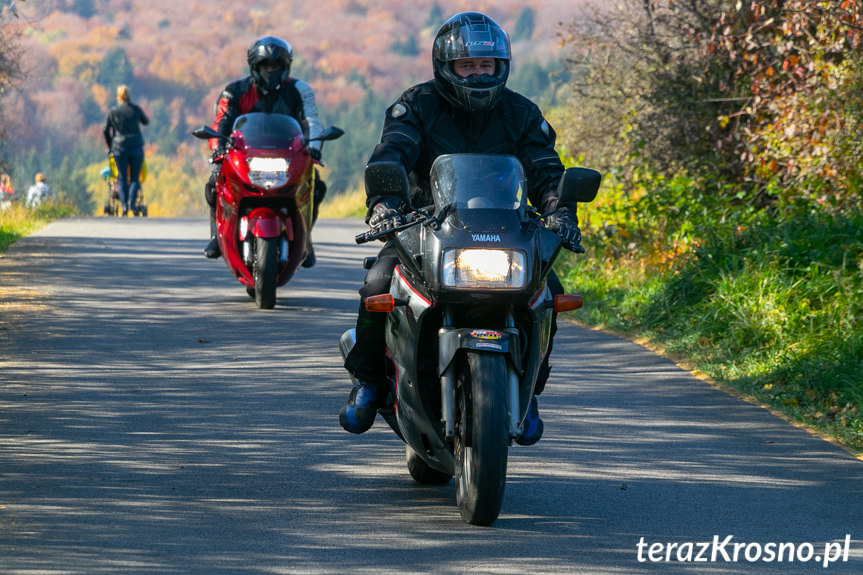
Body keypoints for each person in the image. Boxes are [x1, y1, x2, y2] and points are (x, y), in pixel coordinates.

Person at [339, 12, 583, 445]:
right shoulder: (416, 105)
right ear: (445, 67)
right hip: (424, 226)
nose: (476, 74)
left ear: (500, 67)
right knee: (378, 282)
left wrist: (561, 211)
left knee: (545, 290)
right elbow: (392, 154)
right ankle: (370, 381)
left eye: (484, 66)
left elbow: (546, 170)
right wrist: (385, 203)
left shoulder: (521, 113)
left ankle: (528, 390)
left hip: (505, 230)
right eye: (466, 66)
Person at [203, 35, 326, 267]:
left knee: (316, 187)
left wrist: (314, 147)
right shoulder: (235, 91)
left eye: (276, 66)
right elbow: (221, 122)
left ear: (286, 67)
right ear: (254, 67)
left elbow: (311, 121)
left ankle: (306, 239)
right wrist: (217, 148)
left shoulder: (299, 90)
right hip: (245, 156)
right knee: (214, 184)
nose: (271, 71)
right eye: (265, 66)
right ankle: (216, 238)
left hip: (288, 157)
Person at [103, 85, 149, 217]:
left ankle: (123, 205)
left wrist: (110, 144)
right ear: (129, 95)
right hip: (135, 146)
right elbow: (145, 121)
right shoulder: (135, 110)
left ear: (118, 97)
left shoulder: (113, 112)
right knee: (135, 178)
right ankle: (132, 203)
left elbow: (106, 130)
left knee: (122, 177)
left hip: (119, 147)